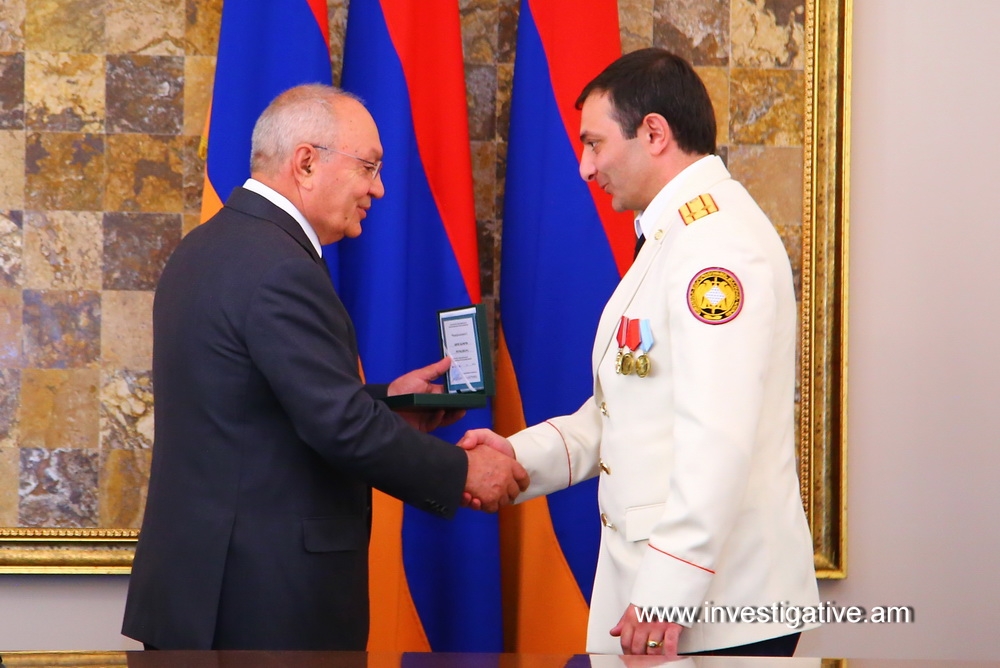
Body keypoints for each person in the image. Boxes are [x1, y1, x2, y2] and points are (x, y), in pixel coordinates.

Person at [121, 84, 529, 651]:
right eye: (369, 166)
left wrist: (383, 403)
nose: (378, 188)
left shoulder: (206, 247)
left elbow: (250, 404)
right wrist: (462, 473)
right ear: (306, 162)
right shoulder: (280, 266)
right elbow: (339, 425)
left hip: (197, 594)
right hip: (264, 605)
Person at [460, 49, 821, 656]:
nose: (585, 167)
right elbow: (629, 412)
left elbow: (717, 435)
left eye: (595, 144)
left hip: (713, 611)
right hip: (676, 603)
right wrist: (517, 457)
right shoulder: (674, 236)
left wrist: (665, 594)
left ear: (654, 133)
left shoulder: (715, 246)